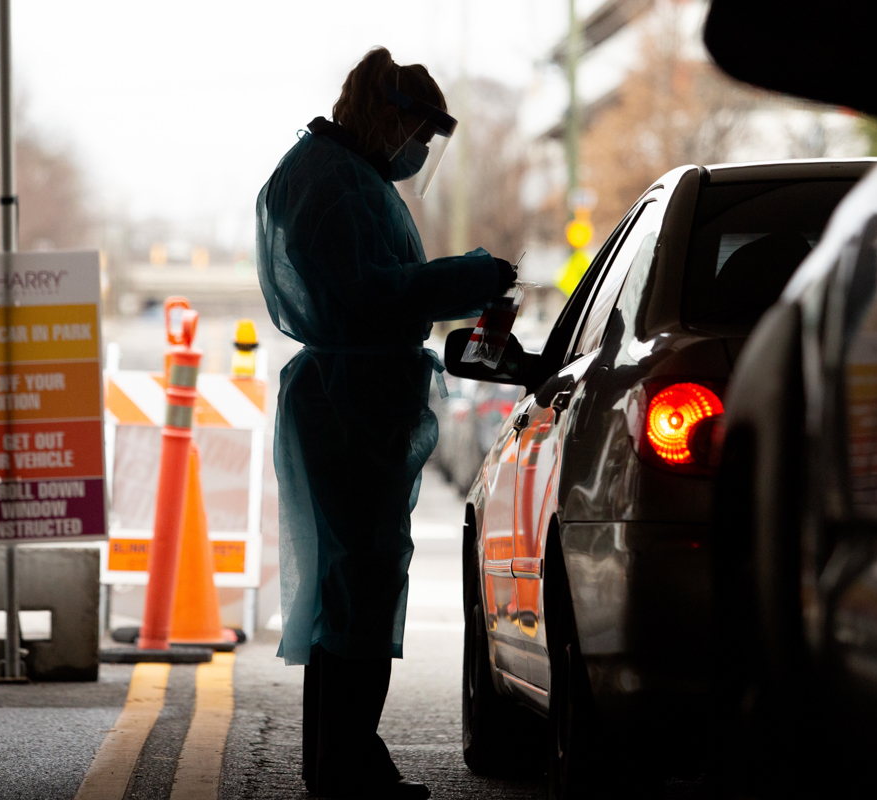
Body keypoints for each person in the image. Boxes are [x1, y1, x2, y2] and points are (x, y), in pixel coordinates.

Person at [255, 47, 517, 799]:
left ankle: (337, 759)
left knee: (352, 586)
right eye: (420, 135)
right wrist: (467, 277)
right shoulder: (335, 184)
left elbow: (371, 290)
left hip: (353, 397)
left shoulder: (336, 174)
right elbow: (368, 293)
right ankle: (349, 764)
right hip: (352, 401)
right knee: (362, 586)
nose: (419, 155)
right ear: (392, 116)